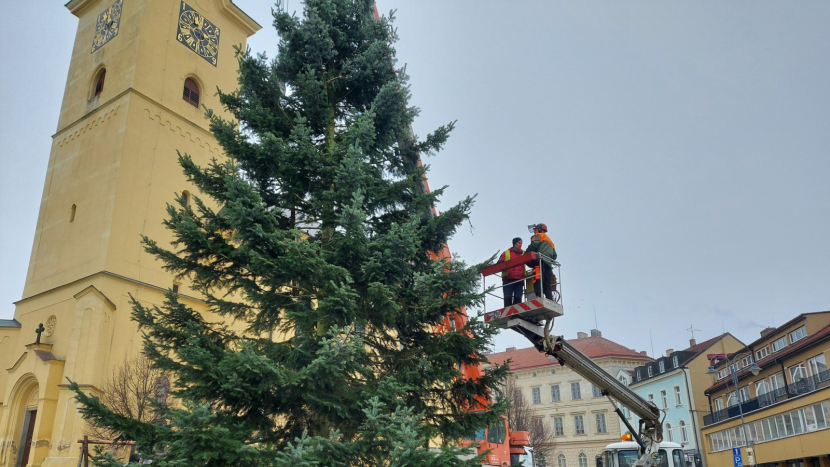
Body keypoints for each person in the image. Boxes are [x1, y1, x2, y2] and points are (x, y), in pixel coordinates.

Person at [525, 223, 557, 301]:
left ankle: (538, 297)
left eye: (535, 229)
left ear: (539, 229)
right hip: (548, 265)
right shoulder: (550, 241)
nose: (534, 231)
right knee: (547, 283)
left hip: (539, 262)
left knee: (537, 279)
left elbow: (534, 245)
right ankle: (549, 299)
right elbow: (554, 255)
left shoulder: (538, 236)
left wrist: (526, 254)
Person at [497, 237, 525, 307]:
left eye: (521, 243)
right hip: (508, 279)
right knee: (507, 298)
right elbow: (499, 264)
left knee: (518, 299)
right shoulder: (506, 253)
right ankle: (509, 315)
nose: (521, 245)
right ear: (514, 244)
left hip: (519, 279)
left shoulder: (524, 253)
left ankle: (516, 314)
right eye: (519, 243)